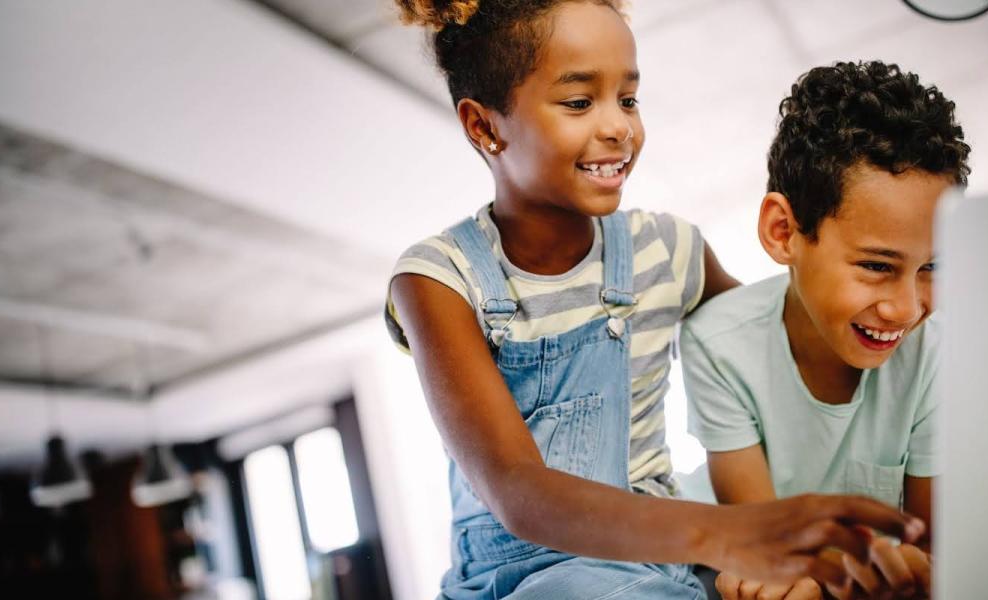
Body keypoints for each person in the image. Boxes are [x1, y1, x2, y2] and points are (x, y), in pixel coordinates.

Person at [386, 2, 925, 597]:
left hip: (667, 569)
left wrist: (880, 280)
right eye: (578, 101)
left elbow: (772, 340)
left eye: (629, 98)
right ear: (485, 126)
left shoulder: (667, 251)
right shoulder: (439, 280)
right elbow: (519, 493)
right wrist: (726, 533)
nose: (619, 126)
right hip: (530, 581)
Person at [680, 60, 971, 600]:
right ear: (783, 231)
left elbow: (933, 552)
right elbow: (766, 546)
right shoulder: (717, 344)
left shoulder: (937, 355)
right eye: (877, 266)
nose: (906, 309)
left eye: (932, 267)